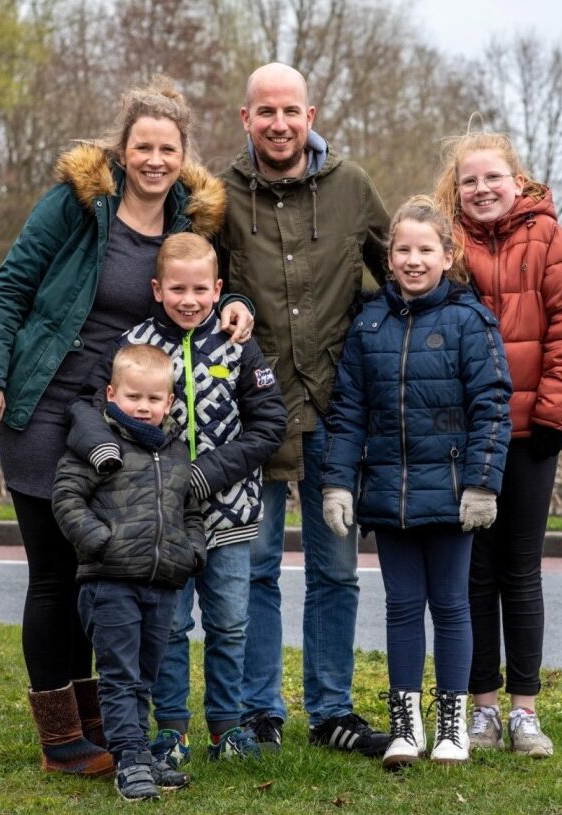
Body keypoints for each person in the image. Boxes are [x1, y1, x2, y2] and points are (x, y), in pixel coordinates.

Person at [0, 75, 224, 775]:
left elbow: (201, 285)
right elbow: (12, 285)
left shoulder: (186, 224)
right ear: (123, 147)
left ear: (183, 154)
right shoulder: (78, 206)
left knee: (96, 571)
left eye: (168, 148)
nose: (155, 159)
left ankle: (97, 722)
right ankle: (59, 737)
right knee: (53, 572)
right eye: (143, 145)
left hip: (118, 419)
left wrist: (239, 307)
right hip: (46, 402)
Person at [213, 62, 392, 757]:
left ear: (310, 115)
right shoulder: (218, 195)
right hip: (251, 415)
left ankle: (332, 710)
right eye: (267, 113)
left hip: (337, 413)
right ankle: (261, 711)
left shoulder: (352, 188)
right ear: (245, 119)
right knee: (254, 570)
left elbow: (402, 269)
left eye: (291, 111)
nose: (280, 124)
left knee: (336, 571)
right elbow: (192, 282)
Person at [64, 232, 287, 765]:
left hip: (229, 511)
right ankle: (171, 729)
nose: (190, 300)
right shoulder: (134, 343)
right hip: (157, 523)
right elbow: (90, 406)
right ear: (157, 289)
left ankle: (227, 726)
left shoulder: (237, 344)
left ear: (218, 289)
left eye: (200, 290)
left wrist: (205, 474)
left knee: (230, 622)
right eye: (177, 289)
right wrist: (105, 455)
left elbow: (270, 422)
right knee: (169, 628)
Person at [321, 196, 512, 769]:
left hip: (453, 496)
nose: (412, 260)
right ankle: (408, 728)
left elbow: (492, 406)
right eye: (402, 249)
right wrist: (338, 482)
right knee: (402, 607)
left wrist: (482, 484)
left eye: (425, 249)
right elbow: (349, 410)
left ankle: (452, 726)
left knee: (452, 605)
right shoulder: (369, 324)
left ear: (446, 255)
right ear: (389, 256)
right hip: (389, 495)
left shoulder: (469, 321)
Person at [433, 131, 562, 758]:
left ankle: (525, 711)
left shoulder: (549, 237)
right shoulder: (446, 242)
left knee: (520, 571)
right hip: (462, 435)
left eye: (492, 177)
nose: (482, 189)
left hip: (530, 432)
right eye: (470, 180)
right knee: (473, 574)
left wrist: (555, 415)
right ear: (457, 187)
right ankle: (483, 710)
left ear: (516, 179)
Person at [52, 344, 206, 801]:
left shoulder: (176, 451)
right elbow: (66, 497)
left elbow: (190, 509)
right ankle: (129, 762)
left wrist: (191, 549)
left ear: (169, 401)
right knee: (119, 676)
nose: (144, 406)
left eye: (154, 399)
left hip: (162, 584)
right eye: (134, 397)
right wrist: (100, 541)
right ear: (111, 395)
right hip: (110, 582)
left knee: (144, 676)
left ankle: (138, 752)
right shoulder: (99, 446)